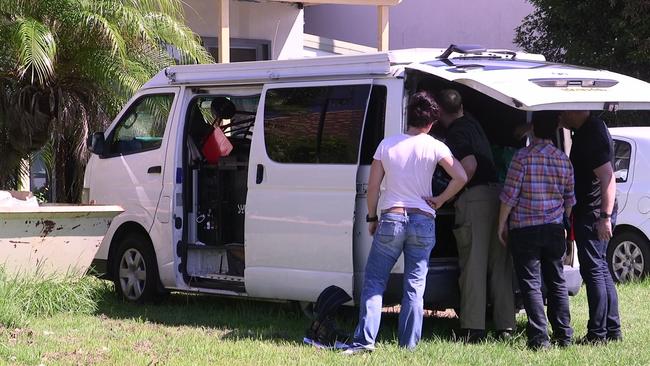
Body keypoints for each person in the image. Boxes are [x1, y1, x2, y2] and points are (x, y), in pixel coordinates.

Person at [344, 91, 467, 354]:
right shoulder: (436, 146)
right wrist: (441, 199)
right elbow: (461, 176)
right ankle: (408, 347)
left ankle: (365, 341)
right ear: (432, 123)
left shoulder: (387, 145)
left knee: (375, 281)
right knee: (414, 286)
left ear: (407, 118)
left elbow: (374, 187)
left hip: (392, 217)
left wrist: (372, 217)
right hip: (423, 219)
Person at [435, 89, 516, 342]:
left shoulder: (456, 132)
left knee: (474, 264)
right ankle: (506, 326)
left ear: (439, 111)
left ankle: (473, 329)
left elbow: (468, 166)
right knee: (499, 264)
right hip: (496, 195)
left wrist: (448, 195)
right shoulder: (473, 123)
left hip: (476, 198)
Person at [497, 111, 575, 350]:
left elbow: (510, 195)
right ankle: (564, 335)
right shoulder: (563, 159)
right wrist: (563, 223)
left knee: (531, 283)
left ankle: (540, 338)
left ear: (532, 129)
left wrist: (501, 224)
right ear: (554, 129)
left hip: (525, 228)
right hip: (553, 228)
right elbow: (570, 200)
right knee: (557, 281)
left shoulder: (522, 157)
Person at [560, 110, 622, 344]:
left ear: (574, 111)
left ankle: (597, 334)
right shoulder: (590, 128)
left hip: (594, 214)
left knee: (594, 271)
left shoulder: (591, 134)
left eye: (562, 112)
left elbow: (607, 176)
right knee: (601, 269)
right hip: (595, 212)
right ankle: (612, 330)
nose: (560, 117)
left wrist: (604, 217)